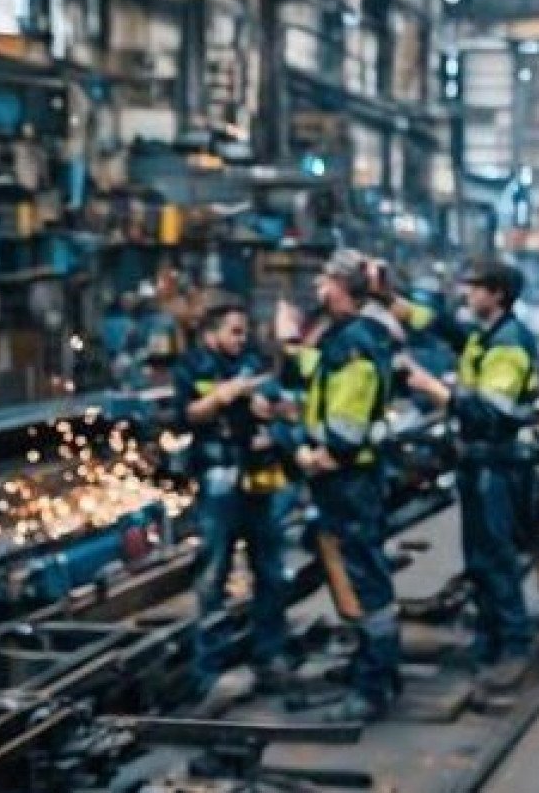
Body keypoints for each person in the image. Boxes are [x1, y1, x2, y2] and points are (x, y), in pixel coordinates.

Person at [393, 257, 539, 690]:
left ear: (496, 294)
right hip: (479, 463)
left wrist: (432, 388)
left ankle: (514, 646)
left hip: (500, 463)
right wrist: (391, 302)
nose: (466, 294)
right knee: (478, 559)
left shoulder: (509, 345)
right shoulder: (487, 335)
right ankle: (490, 639)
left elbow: (491, 413)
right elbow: (443, 327)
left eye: (475, 288)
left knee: (496, 558)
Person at [285, 249, 400, 723]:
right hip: (351, 479)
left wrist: (322, 454)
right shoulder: (348, 336)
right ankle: (376, 671)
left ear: (342, 287)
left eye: (324, 282)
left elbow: (348, 423)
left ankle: (372, 687)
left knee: (363, 581)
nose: (317, 289)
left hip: (348, 481)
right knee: (359, 575)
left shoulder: (352, 344)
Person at [172, 301, 294, 698]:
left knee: (271, 571)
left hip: (259, 482)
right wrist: (223, 397)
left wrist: (269, 408)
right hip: (218, 483)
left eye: (244, 332)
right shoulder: (192, 367)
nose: (241, 340)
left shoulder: (255, 363)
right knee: (212, 578)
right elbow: (186, 416)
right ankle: (210, 670)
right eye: (234, 332)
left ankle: (270, 655)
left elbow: (284, 406)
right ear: (211, 334)